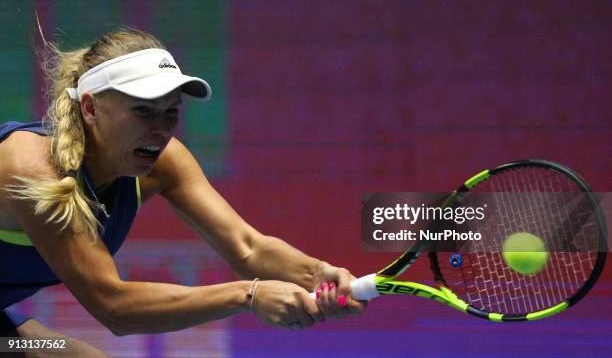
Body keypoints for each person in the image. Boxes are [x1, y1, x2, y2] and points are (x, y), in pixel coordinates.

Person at [0, 28, 366, 356]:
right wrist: (247, 295)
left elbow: (248, 246)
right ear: (91, 107)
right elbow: (114, 306)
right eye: (143, 111)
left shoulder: (165, 159)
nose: (161, 129)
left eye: (170, 112)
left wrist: (317, 274)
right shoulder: (31, 170)